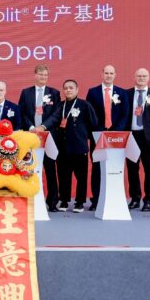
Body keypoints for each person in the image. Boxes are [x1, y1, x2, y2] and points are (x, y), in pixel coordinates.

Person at [85, 65, 130, 211]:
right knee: (97, 167)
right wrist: (99, 131)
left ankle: (114, 198)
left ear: (115, 75)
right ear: (102, 74)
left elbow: (125, 114)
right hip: (98, 135)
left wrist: (116, 131)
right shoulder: (93, 92)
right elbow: (89, 114)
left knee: (115, 167)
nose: (109, 75)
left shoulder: (122, 93)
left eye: (111, 73)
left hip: (116, 137)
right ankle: (96, 200)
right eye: (106, 73)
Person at [18, 65, 62, 212]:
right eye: (41, 74)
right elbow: (22, 112)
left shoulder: (54, 93)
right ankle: (26, 198)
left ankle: (52, 201)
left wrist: (43, 126)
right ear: (35, 75)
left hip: (47, 136)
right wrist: (31, 127)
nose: (43, 77)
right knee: (28, 167)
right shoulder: (26, 93)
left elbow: (57, 113)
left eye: (45, 75)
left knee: (50, 169)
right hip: (30, 136)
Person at [53, 80, 98, 213]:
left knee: (81, 176)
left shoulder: (85, 105)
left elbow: (94, 123)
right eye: (66, 88)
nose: (68, 90)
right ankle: (64, 200)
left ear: (77, 90)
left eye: (71, 88)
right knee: (63, 175)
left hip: (79, 147)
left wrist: (83, 136)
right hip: (62, 147)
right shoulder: (60, 105)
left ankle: (80, 202)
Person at [126, 68, 150, 212]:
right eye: (139, 76)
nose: (141, 78)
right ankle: (135, 199)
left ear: (148, 78)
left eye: (144, 76)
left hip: (148, 138)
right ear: (134, 77)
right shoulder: (126, 94)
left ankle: (148, 200)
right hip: (131, 137)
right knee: (132, 170)